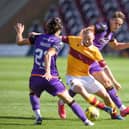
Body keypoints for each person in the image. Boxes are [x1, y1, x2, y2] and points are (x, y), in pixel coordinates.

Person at [14, 17, 94, 126]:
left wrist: (19, 32)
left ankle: (38, 116)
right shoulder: (58, 42)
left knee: (33, 93)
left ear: (47, 28)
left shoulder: (38, 38)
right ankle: (86, 121)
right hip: (51, 78)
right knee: (69, 100)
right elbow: (48, 54)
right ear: (59, 30)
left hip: (36, 76)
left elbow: (19, 42)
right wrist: (47, 72)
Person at [58, 11, 129, 119]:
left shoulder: (110, 34)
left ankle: (62, 101)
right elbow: (87, 30)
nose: (117, 26)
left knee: (100, 84)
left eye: (120, 24)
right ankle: (121, 109)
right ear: (110, 20)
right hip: (85, 59)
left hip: (94, 60)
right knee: (100, 84)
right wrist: (79, 45)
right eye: (116, 23)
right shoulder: (103, 27)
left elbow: (116, 46)